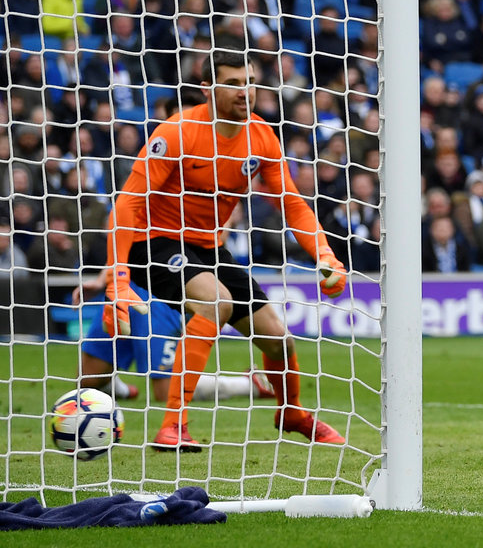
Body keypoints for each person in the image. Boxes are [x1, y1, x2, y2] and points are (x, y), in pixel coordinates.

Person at [102, 48, 349, 451]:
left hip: (208, 247)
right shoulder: (177, 132)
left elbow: (291, 204)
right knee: (216, 301)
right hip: (153, 243)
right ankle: (173, 426)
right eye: (233, 83)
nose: (244, 91)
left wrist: (324, 253)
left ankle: (292, 413)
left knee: (279, 339)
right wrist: (118, 277)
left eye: (249, 82)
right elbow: (128, 203)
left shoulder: (261, 136)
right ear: (207, 88)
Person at [76, 277, 271, 403]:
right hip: (124, 284)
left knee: (167, 391)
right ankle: (122, 391)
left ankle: (249, 384)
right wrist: (103, 278)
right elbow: (120, 236)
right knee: (88, 379)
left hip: (161, 285)